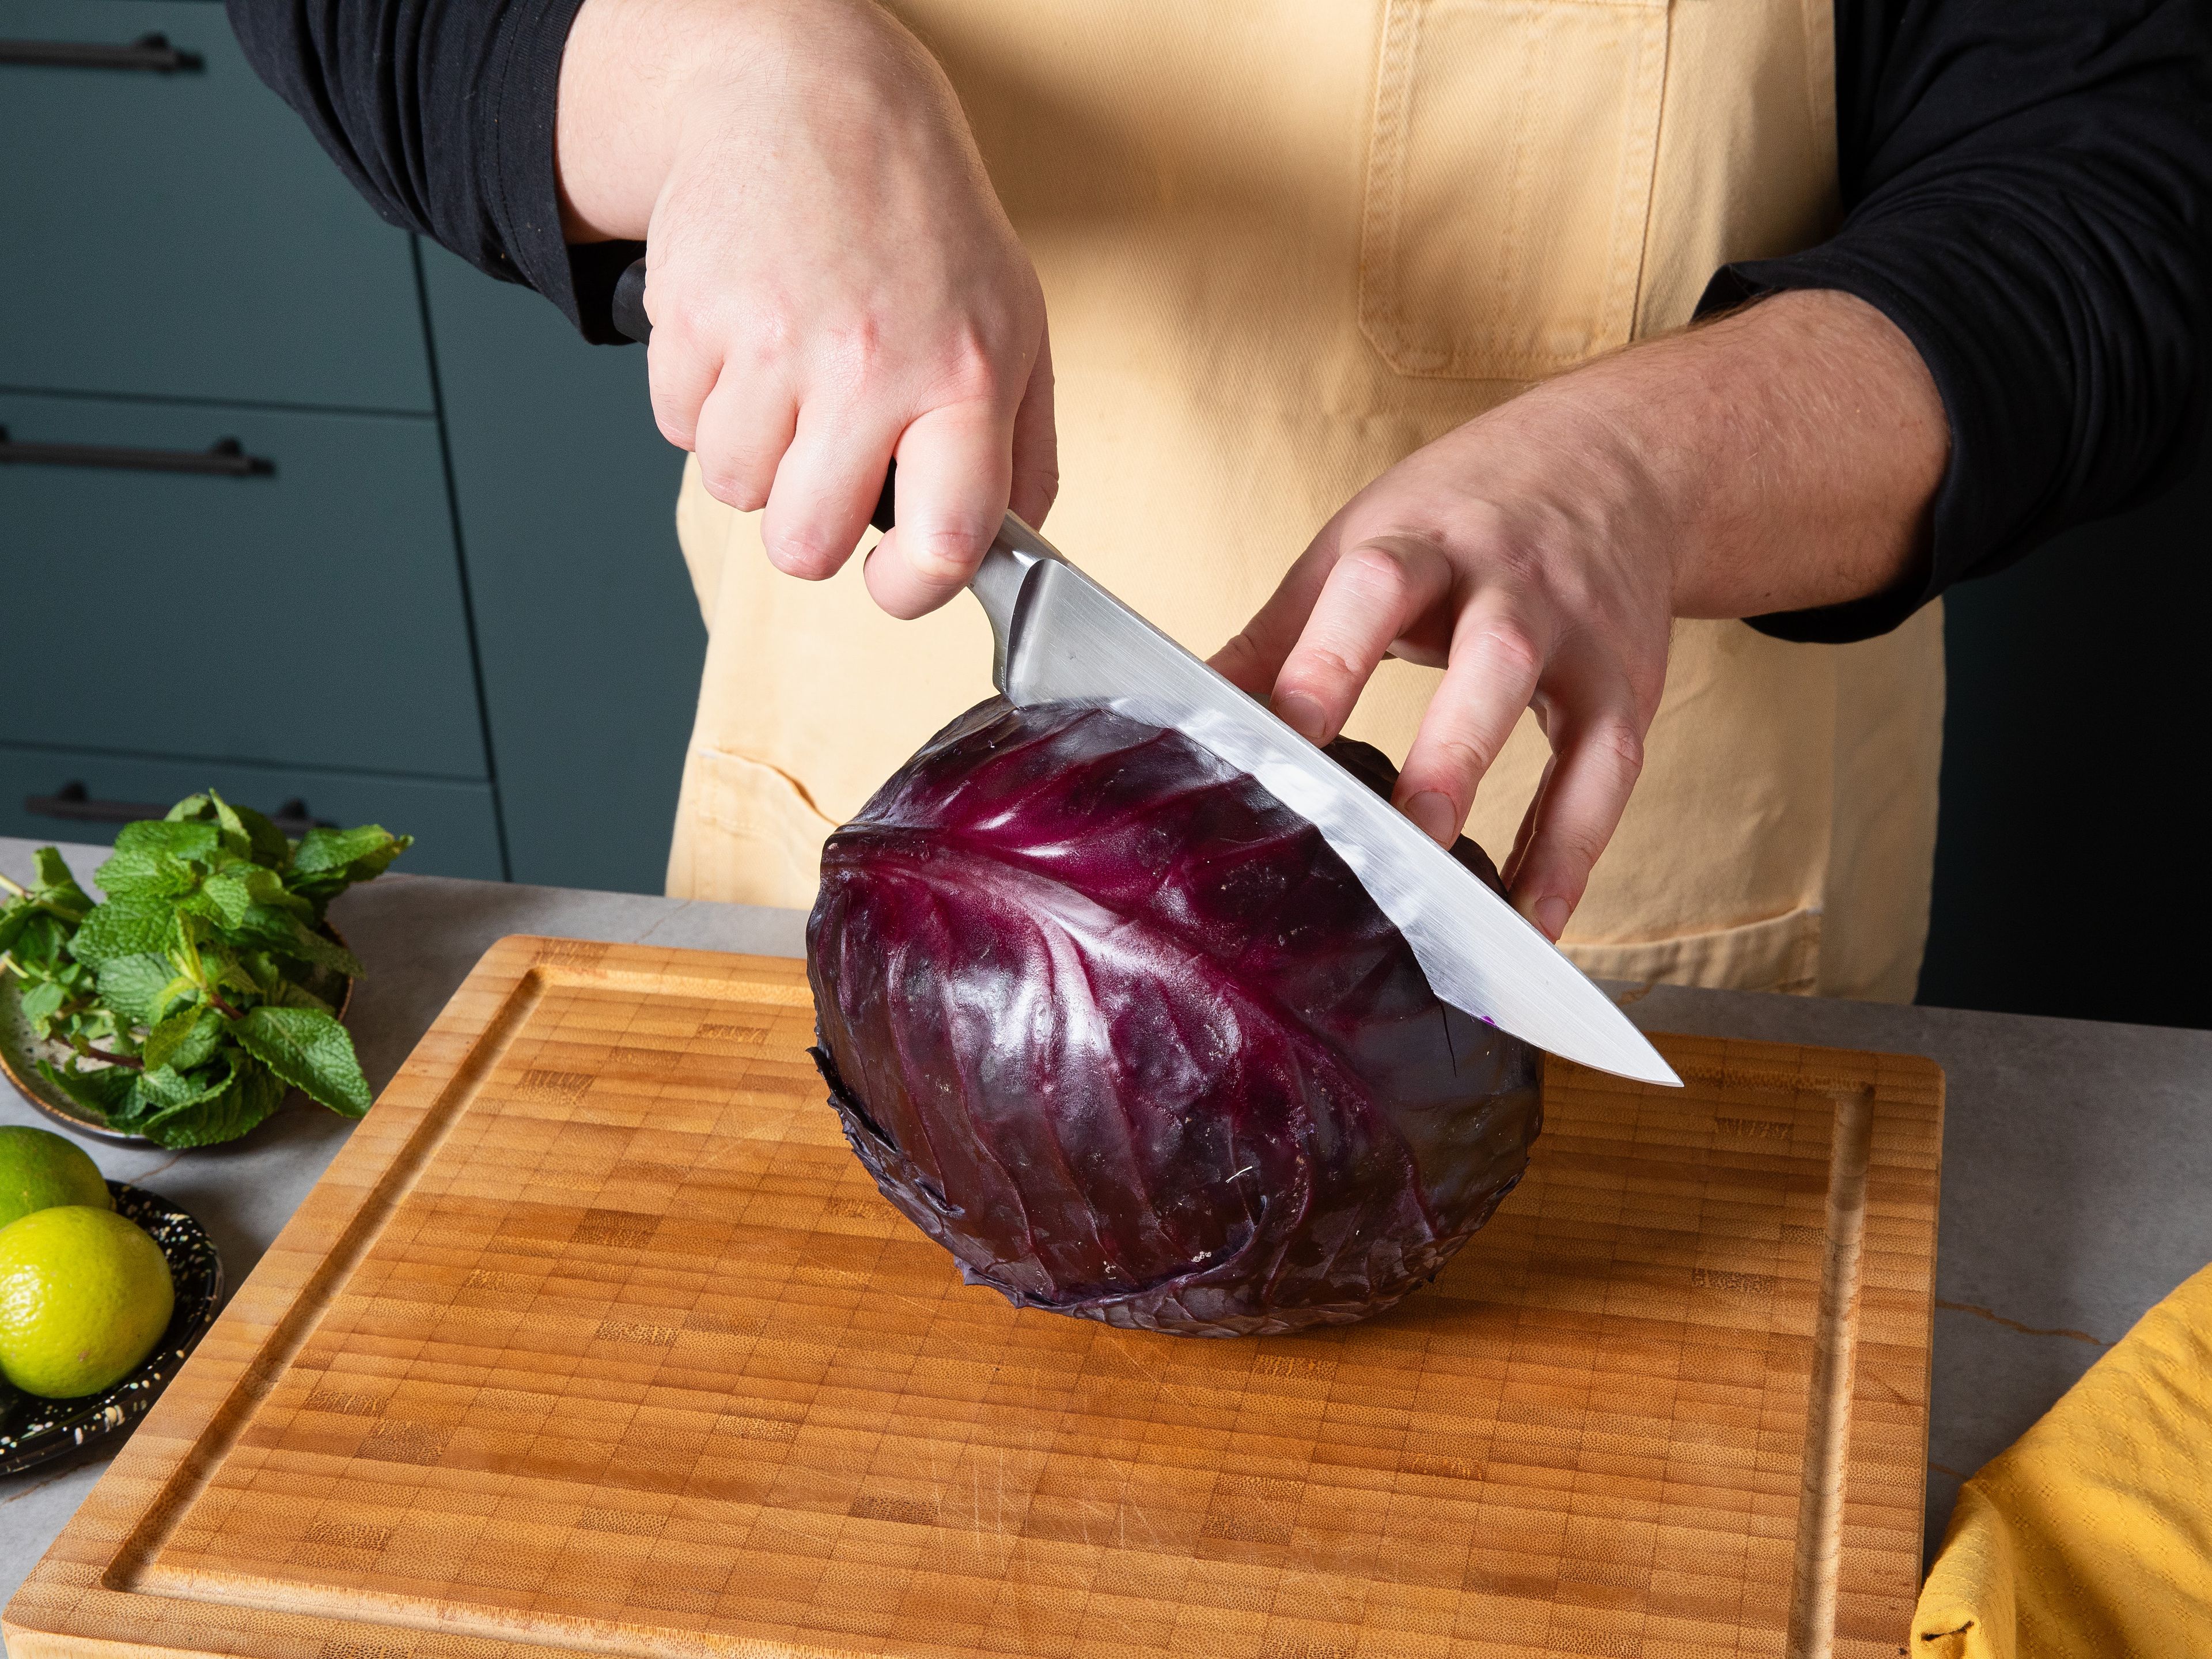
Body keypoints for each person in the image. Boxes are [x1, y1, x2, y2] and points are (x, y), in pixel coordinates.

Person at [230, 0, 2210, 999]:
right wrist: (730, 76)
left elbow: (2122, 162)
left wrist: (1653, 462)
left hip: (1623, 919)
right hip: (890, 858)